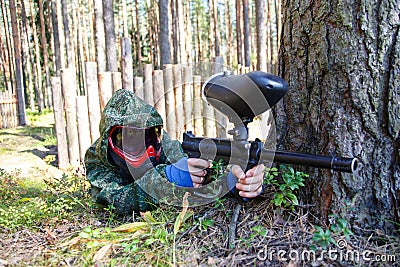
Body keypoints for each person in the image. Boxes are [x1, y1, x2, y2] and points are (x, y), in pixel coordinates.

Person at [85, 89, 265, 215]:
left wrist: (234, 179)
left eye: (147, 136)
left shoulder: (162, 145)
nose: (142, 147)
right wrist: (167, 177)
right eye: (130, 135)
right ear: (110, 139)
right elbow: (112, 199)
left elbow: (196, 173)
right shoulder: (98, 158)